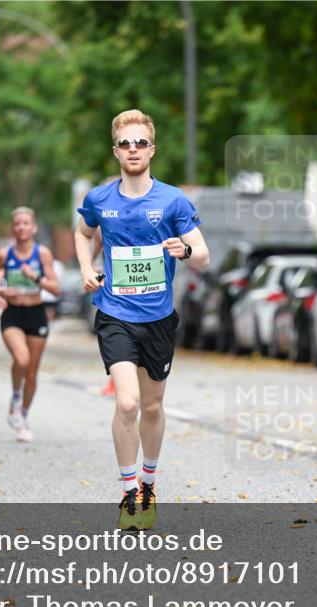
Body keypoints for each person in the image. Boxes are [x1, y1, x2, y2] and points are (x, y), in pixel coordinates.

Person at [74, 109, 210, 530]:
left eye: (141, 143)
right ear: (115, 150)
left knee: (152, 406)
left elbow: (203, 257)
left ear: (152, 149)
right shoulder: (100, 199)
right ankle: (130, 491)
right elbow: (82, 233)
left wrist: (183, 252)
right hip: (115, 313)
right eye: (125, 144)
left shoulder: (172, 200)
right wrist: (85, 269)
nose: (133, 150)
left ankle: (149, 482)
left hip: (158, 318)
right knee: (127, 401)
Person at [0, 206, 60, 443]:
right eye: (17, 223)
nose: (21, 227)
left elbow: (56, 288)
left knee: (32, 372)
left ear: (34, 227)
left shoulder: (43, 253)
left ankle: (23, 417)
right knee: (22, 358)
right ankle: (16, 397)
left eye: (26, 223)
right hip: (13, 314)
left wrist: (35, 277)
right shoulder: (4, 255)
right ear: (12, 228)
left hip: (36, 314)